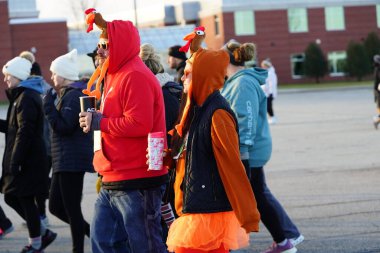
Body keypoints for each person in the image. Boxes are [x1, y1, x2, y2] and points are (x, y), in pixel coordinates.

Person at [79, 11, 168, 253]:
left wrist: (101, 122)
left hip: (137, 179)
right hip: (113, 176)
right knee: (104, 242)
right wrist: (96, 119)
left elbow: (139, 124)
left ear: (121, 45)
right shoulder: (115, 75)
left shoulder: (135, 75)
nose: (99, 51)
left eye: (105, 45)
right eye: (98, 45)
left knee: (145, 246)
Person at [164, 46, 261, 253]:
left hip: (207, 211)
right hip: (192, 206)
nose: (182, 78)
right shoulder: (194, 109)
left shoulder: (217, 113)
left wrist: (247, 211)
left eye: (188, 74)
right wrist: (166, 156)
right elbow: (187, 152)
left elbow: (233, 164)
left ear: (202, 76)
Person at [220, 41, 303, 253]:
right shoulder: (234, 81)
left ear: (226, 59)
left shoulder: (243, 83)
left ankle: (284, 241)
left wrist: (242, 153)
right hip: (248, 149)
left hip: (250, 150)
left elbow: (245, 119)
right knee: (259, 194)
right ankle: (286, 238)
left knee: (256, 196)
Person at [1, 56, 56, 253]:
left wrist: (16, 161)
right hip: (23, 158)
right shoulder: (20, 96)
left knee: (23, 199)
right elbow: (13, 128)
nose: (6, 80)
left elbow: (25, 132)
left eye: (8, 76)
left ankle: (36, 243)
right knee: (11, 197)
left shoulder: (27, 97)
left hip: (28, 160)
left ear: (17, 75)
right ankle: (42, 233)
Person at [140, 43, 182, 240]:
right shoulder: (175, 89)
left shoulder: (152, 95)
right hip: (179, 158)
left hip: (158, 161)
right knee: (173, 211)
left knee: (158, 216)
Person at [19, 51, 51, 228]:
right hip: (47, 143)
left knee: (37, 182)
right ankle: (40, 215)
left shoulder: (31, 90)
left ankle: (40, 216)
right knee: (40, 181)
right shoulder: (46, 87)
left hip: (40, 144)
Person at [261, 59, 278, 124]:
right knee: (267, 106)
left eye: (263, 66)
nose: (262, 67)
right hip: (266, 93)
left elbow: (272, 84)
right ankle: (272, 117)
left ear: (266, 66)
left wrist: (271, 93)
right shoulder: (268, 72)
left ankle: (273, 118)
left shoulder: (271, 73)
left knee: (268, 106)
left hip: (270, 94)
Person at [372, 55, 380, 129]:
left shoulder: (376, 69)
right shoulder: (378, 69)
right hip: (378, 91)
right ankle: (376, 120)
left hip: (377, 91)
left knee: (379, 107)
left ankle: (377, 120)